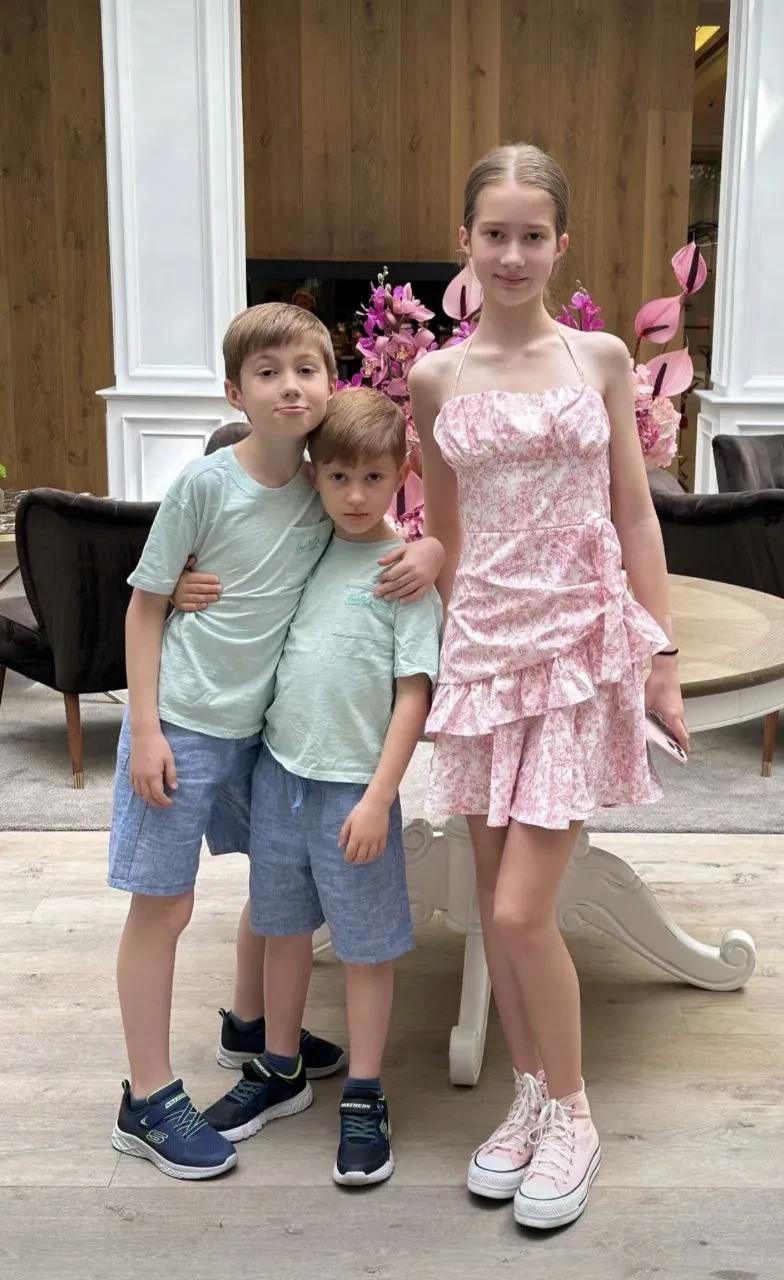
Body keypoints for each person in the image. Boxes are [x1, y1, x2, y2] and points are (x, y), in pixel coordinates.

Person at [409, 143, 688, 1231]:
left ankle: (573, 1111)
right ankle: (527, 1096)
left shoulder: (602, 359)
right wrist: (437, 639)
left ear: (560, 243)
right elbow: (443, 530)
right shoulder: (435, 379)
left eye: (533, 235)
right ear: (466, 242)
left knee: (525, 910)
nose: (513, 253)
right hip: (484, 652)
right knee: (494, 905)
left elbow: (634, 514)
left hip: (577, 650)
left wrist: (658, 657)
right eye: (495, 234)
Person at [108, 304, 443, 1181]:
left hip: (264, 740)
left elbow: (382, 521)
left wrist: (435, 547)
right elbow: (144, 604)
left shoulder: (324, 490)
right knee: (165, 905)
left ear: (330, 383)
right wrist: (144, 728)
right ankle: (148, 1096)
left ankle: (258, 1037)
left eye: (307, 370)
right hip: (181, 725)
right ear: (235, 393)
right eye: (268, 373)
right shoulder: (204, 484)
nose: (290, 387)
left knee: (275, 893)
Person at [194, 388, 441, 1187]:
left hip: (352, 792)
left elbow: (413, 694)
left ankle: (364, 1091)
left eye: (373, 478)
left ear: (400, 475)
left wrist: (378, 797)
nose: (356, 495)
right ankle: (280, 1066)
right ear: (315, 477)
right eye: (339, 477)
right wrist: (186, 583)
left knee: (365, 945)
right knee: (282, 925)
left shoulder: (404, 573)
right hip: (279, 776)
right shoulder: (306, 545)